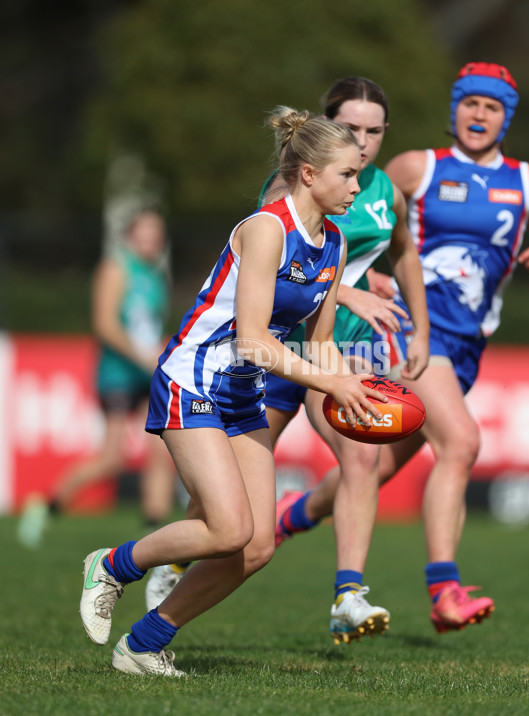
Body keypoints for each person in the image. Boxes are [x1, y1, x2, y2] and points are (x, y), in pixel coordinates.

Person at [79, 106, 390, 677]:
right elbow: (251, 341)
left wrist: (357, 390)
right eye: (347, 174)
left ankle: (143, 645)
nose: (357, 184)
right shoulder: (267, 228)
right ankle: (113, 565)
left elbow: (319, 345)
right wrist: (332, 381)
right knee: (227, 528)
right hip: (193, 377)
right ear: (308, 174)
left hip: (243, 392)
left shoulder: (336, 243)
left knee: (256, 547)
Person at [269, 62, 529, 635]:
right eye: (469, 104)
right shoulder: (418, 167)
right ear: (453, 109)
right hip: (410, 334)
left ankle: (293, 516)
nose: (478, 115)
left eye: (491, 107)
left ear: (506, 116)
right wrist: (356, 286)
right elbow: (345, 216)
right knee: (461, 442)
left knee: (374, 463)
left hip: (467, 344)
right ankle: (444, 588)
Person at [143, 78, 430, 645]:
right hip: (253, 361)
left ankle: (348, 592)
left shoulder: (375, 202)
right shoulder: (278, 208)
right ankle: (146, 563)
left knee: (349, 467)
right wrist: (351, 293)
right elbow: (273, 290)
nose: (366, 144)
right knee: (222, 514)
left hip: (320, 356)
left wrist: (398, 341)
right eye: (352, 131)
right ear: (319, 143)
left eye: (375, 132)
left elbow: (402, 254)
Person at [17, 210, 177, 548]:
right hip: (118, 373)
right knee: (111, 459)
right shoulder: (116, 268)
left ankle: (154, 533)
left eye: (157, 233)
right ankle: (46, 506)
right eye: (145, 232)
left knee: (162, 450)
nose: (151, 240)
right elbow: (105, 325)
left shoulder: (157, 275)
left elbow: (150, 326)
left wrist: (160, 354)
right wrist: (143, 358)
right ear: (131, 235)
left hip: (149, 372)